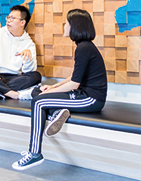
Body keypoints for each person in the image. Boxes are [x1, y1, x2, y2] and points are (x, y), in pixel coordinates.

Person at [12, 9, 108, 170]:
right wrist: (53, 87)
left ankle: (35, 153)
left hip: (91, 99)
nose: (64, 26)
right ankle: (57, 113)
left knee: (38, 101)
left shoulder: (84, 48)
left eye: (67, 23)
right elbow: (73, 77)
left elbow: (74, 84)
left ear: (75, 26)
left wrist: (49, 93)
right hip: (82, 94)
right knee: (38, 91)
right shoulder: (84, 47)